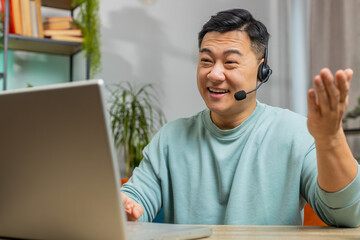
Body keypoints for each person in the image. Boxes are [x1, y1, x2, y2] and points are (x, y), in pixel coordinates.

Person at [121, 8, 360, 226]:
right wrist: (125, 207)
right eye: (206, 60)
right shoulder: (170, 139)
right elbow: (135, 199)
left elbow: (347, 216)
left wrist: (330, 139)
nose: (214, 74)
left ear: (262, 70)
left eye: (230, 62)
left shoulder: (295, 132)